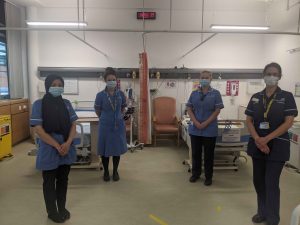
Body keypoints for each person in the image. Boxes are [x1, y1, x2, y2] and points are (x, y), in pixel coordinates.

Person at [245, 62, 298, 225]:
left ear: (280, 77)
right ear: (263, 75)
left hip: (277, 146)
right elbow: (248, 120)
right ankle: (262, 212)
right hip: (257, 145)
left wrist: (266, 139)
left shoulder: (286, 96)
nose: (272, 76)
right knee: (258, 181)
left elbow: (288, 122)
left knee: (271, 182)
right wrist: (258, 140)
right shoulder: (256, 97)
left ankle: (273, 218)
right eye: (269, 73)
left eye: (275, 74)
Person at [30, 74, 78, 223]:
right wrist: (57, 145)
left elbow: (73, 125)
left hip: (66, 146)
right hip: (49, 147)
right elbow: (38, 129)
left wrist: (68, 142)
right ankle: (52, 211)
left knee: (63, 180)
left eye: (59, 85)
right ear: (47, 86)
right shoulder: (39, 104)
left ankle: (62, 207)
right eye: (54, 84)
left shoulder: (67, 103)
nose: (57, 87)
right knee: (49, 181)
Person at [186, 70, 224, 186]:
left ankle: (208, 177)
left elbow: (217, 111)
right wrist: (196, 122)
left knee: (208, 155)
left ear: (211, 79)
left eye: (207, 77)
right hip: (195, 129)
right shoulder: (194, 93)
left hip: (210, 129)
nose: (204, 79)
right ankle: (195, 174)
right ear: (199, 78)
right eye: (202, 77)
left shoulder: (216, 93)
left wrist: (205, 123)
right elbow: (189, 109)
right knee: (196, 154)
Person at [94, 67, 127, 182]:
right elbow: (97, 110)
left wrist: (118, 116)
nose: (112, 81)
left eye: (114, 79)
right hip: (105, 126)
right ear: (105, 80)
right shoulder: (100, 95)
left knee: (116, 149)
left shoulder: (121, 94)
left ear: (116, 80)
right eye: (109, 79)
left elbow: (123, 107)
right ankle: (106, 172)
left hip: (118, 125)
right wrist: (105, 118)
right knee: (105, 150)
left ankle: (115, 171)